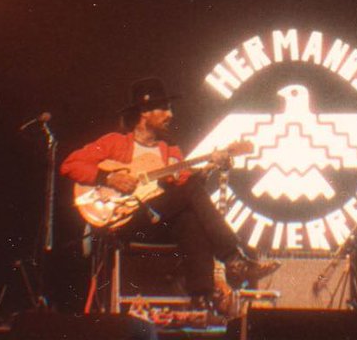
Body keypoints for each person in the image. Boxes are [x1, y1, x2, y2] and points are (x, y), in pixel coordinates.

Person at [60, 77, 279, 310]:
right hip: (126, 220)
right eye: (164, 108)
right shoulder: (115, 142)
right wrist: (108, 177)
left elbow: (188, 189)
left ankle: (201, 297)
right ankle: (234, 259)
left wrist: (208, 168)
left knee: (190, 218)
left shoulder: (170, 151)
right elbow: (69, 165)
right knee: (190, 199)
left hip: (156, 221)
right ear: (144, 111)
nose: (170, 114)